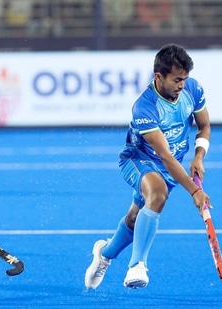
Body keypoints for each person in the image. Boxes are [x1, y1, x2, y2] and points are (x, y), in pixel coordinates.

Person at [84, 43, 212, 290]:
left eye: (184, 79)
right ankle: (137, 266)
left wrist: (198, 156)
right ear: (158, 77)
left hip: (171, 165)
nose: (182, 85)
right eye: (176, 79)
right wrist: (195, 191)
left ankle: (104, 254)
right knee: (158, 193)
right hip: (138, 159)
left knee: (134, 219)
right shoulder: (145, 107)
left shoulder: (192, 90)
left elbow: (204, 126)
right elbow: (163, 155)